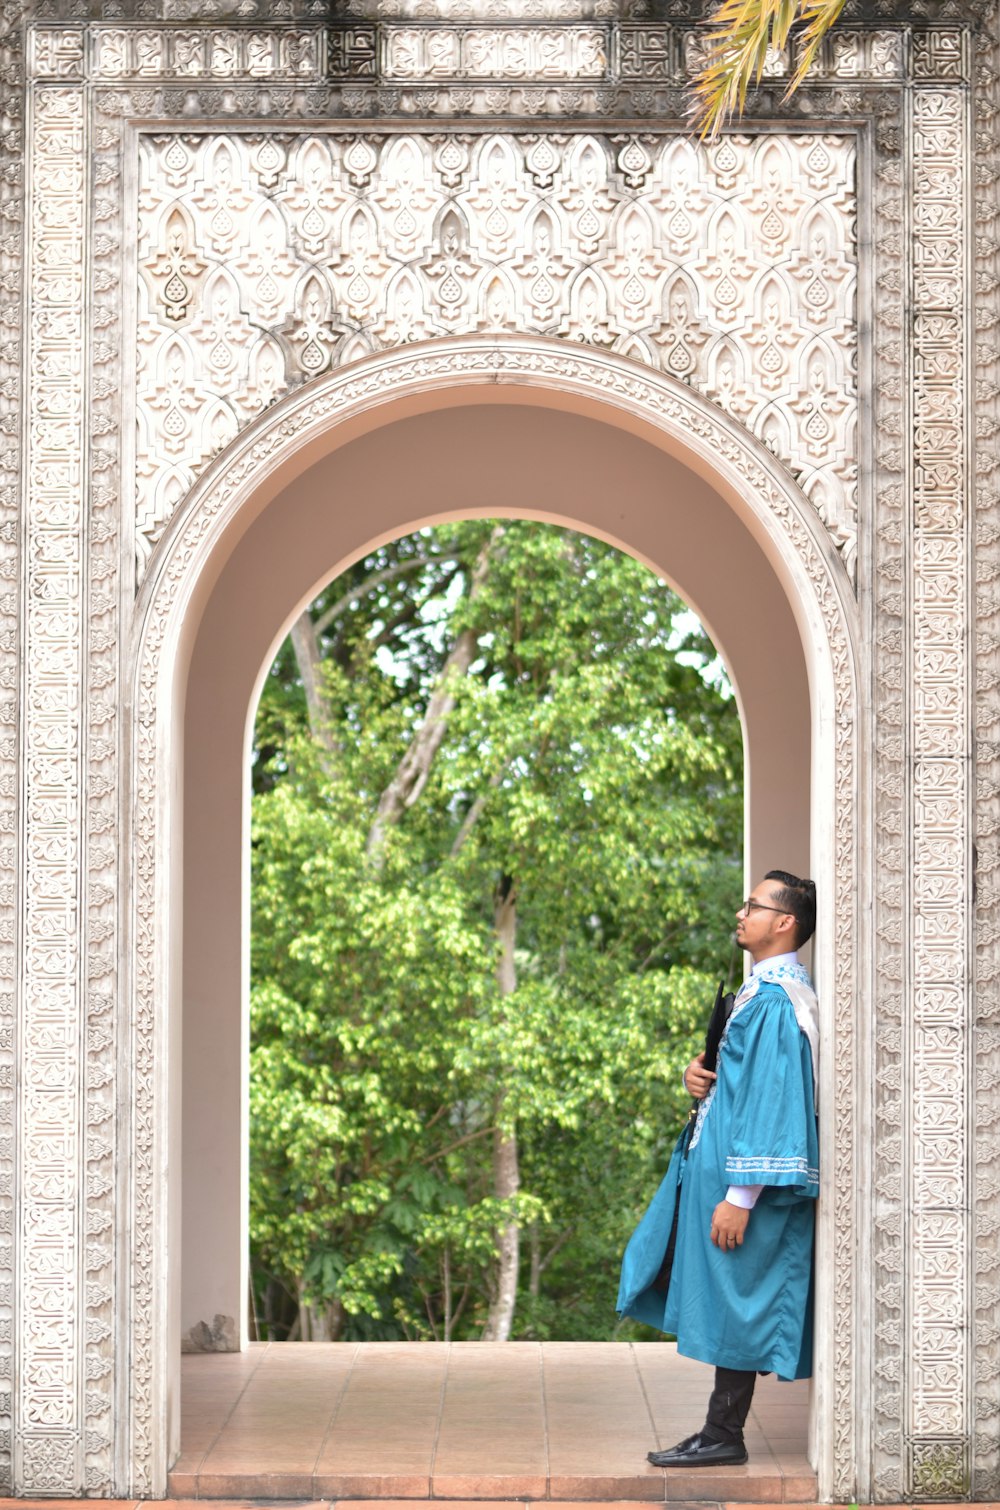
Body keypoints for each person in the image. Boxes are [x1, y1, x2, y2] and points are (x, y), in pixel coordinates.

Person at [616, 870, 818, 1468]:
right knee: (730, 1299)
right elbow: (740, 1083)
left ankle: (723, 1434)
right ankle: (719, 1430)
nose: (741, 913)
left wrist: (741, 1194)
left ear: (784, 923)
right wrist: (698, 1075)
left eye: (753, 906)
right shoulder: (761, 993)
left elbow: (771, 1101)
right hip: (720, 1175)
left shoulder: (778, 1002)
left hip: (744, 1188)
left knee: (740, 1302)